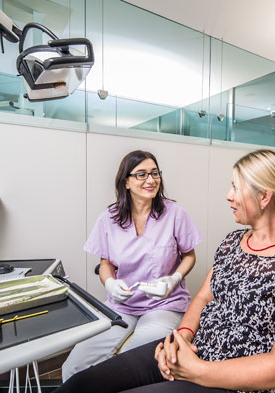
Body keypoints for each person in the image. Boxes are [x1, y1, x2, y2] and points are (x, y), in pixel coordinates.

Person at [56, 149, 275, 393]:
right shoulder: (234, 241)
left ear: (264, 196)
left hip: (235, 379)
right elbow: (202, 298)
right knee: (81, 383)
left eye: (235, 187)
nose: (228, 195)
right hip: (196, 351)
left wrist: (199, 372)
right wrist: (181, 338)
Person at [61, 150, 203, 382]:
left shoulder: (175, 213)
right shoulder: (109, 218)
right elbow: (105, 263)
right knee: (74, 366)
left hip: (164, 305)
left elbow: (189, 255)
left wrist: (173, 279)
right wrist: (110, 283)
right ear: (126, 181)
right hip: (122, 306)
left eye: (155, 173)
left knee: (129, 363)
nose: (151, 180)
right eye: (141, 174)